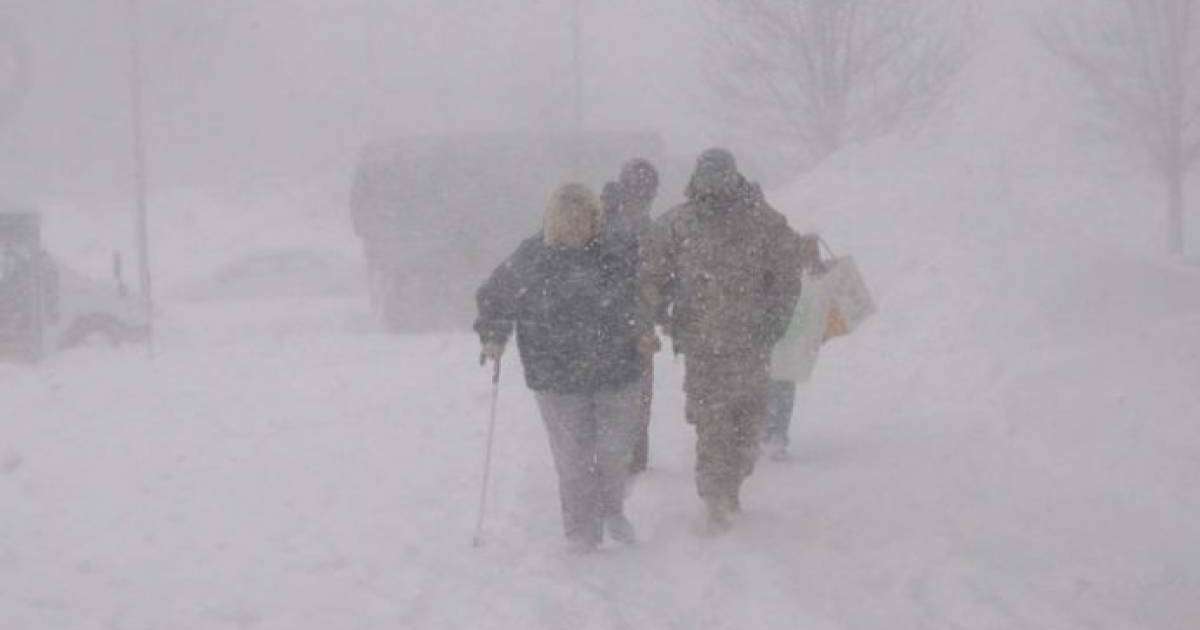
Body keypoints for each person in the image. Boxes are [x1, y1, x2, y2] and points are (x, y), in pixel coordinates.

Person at [474, 183, 658, 553]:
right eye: (565, 220)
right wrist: (493, 337)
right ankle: (580, 530)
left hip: (617, 369)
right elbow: (495, 297)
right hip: (556, 375)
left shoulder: (615, 253)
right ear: (551, 221)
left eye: (582, 219)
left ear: (595, 219)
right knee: (572, 459)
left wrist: (643, 331)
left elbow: (640, 298)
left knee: (614, 451)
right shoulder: (532, 257)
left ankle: (611, 511)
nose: (574, 227)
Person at [641, 149, 803, 533]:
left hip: (752, 343)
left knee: (748, 426)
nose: (713, 185)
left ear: (734, 177)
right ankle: (715, 497)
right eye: (706, 176)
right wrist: (657, 317)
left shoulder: (764, 222)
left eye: (720, 175)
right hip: (702, 344)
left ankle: (734, 482)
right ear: (697, 178)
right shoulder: (677, 224)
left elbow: (786, 276)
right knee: (712, 423)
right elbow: (651, 277)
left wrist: (774, 323)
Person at [602, 158, 661, 474]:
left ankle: (629, 456)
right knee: (630, 390)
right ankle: (629, 456)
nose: (644, 199)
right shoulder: (614, 223)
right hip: (622, 320)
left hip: (622, 321)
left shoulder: (609, 220)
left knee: (629, 390)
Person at [763, 235, 828, 460]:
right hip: (779, 334)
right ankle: (774, 436)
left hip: (779, 335)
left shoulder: (803, 281)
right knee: (779, 382)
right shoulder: (795, 277)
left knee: (777, 382)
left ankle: (772, 436)